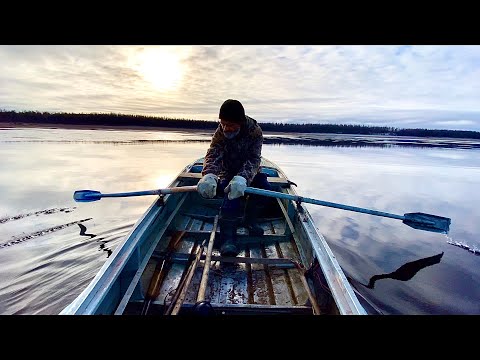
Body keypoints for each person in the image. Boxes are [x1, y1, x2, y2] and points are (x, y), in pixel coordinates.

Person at [197, 99, 272, 257]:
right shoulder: (220, 132)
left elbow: (254, 159)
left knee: (265, 190)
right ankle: (228, 239)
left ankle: (249, 220)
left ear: (241, 122)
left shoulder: (255, 131)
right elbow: (214, 153)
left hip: (250, 173)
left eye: (230, 125)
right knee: (230, 199)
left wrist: (242, 178)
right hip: (227, 171)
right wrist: (209, 175)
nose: (226, 128)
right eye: (223, 123)